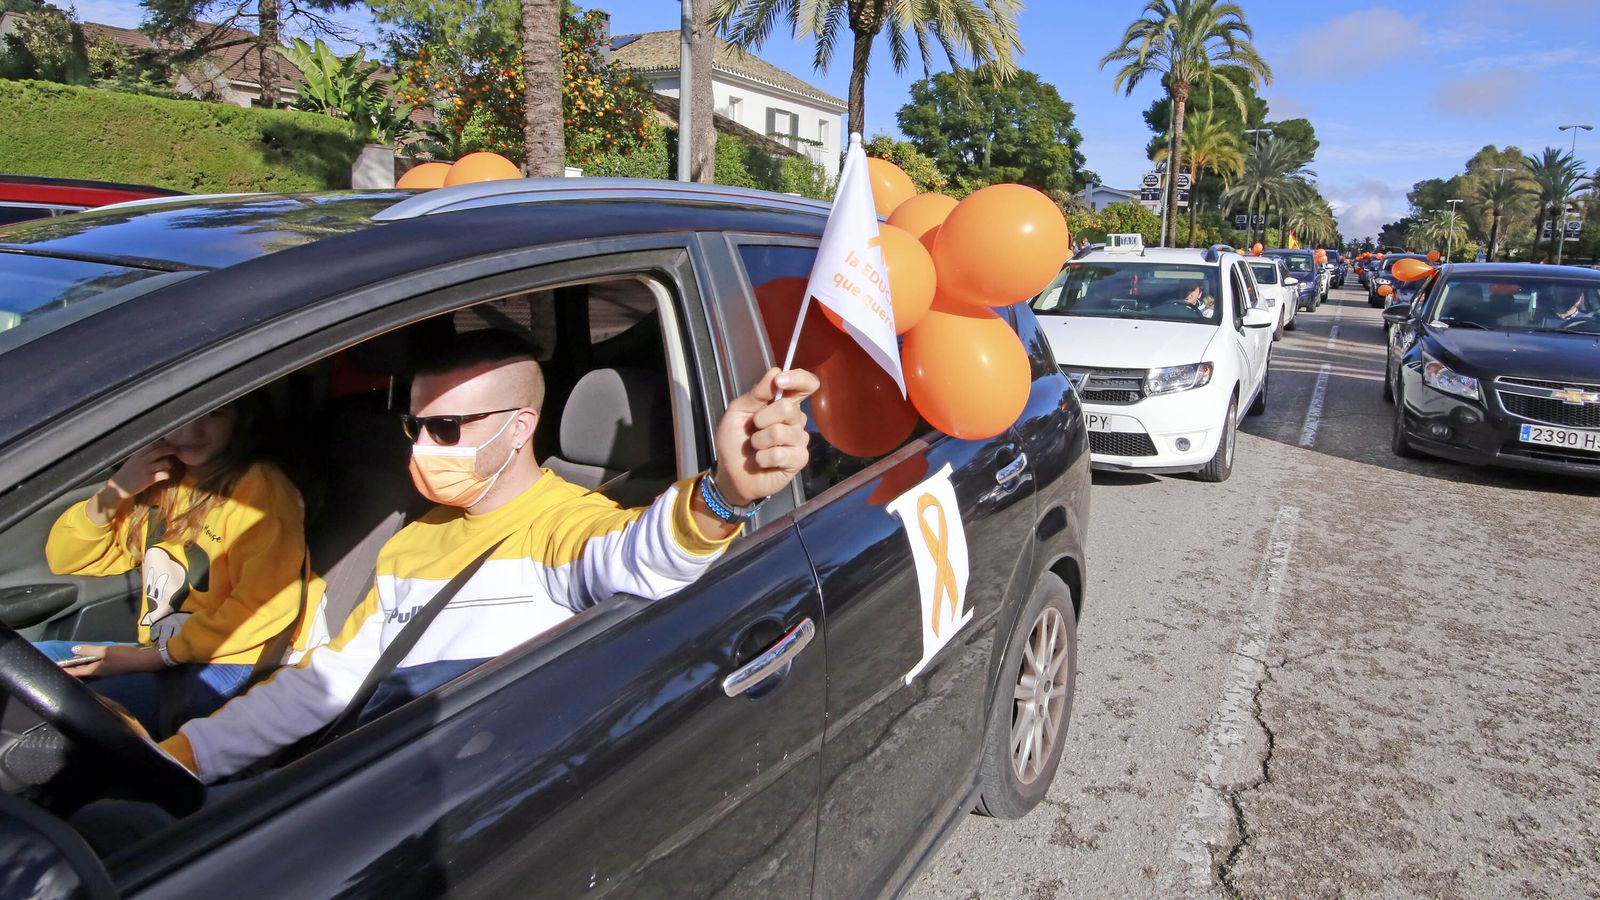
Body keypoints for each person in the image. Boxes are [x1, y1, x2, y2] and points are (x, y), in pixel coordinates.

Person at [155, 330, 818, 785]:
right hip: (363, 777)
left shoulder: (564, 526)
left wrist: (724, 494)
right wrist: (184, 757)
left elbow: (639, 557)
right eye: (416, 427)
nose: (422, 449)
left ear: (521, 426)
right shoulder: (409, 540)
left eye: (447, 430)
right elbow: (326, 681)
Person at [38, 394, 314, 738]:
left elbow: (263, 609)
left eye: (214, 412)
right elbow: (66, 558)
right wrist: (117, 490)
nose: (191, 429)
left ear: (241, 418)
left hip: (231, 659)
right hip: (165, 653)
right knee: (26, 667)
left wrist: (149, 659)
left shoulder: (259, 490)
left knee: (62, 721)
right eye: (180, 413)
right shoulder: (163, 482)